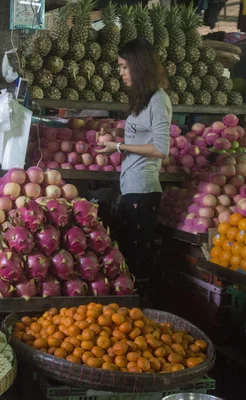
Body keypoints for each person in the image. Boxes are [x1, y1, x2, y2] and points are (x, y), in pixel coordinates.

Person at [96, 38, 171, 294]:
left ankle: (143, 306)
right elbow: (141, 136)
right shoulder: (144, 99)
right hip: (132, 187)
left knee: (139, 255)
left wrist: (119, 147)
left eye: (124, 67)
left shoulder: (159, 101)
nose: (121, 73)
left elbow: (161, 149)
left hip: (144, 189)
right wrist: (115, 134)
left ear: (139, 67)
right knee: (128, 250)